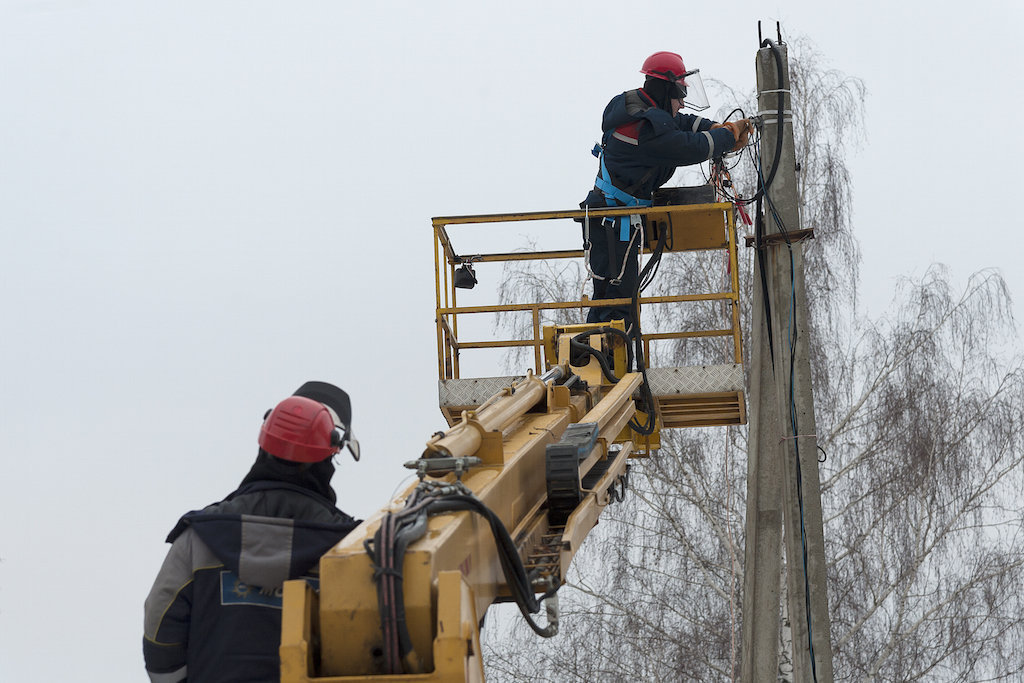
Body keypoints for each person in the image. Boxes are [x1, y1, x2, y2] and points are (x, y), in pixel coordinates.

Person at [143, 381, 363, 683]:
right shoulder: (350, 547)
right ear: (328, 458)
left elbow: (160, 624)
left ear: (264, 446)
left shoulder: (199, 537)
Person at [582, 50, 751, 333]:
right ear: (665, 90)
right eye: (679, 95)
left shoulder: (641, 108)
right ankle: (605, 363)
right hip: (613, 224)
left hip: (614, 221)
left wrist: (716, 127)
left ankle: (606, 360)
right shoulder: (645, 128)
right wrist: (727, 135)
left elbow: (681, 122)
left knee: (618, 301)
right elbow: (687, 146)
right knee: (616, 306)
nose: (682, 102)